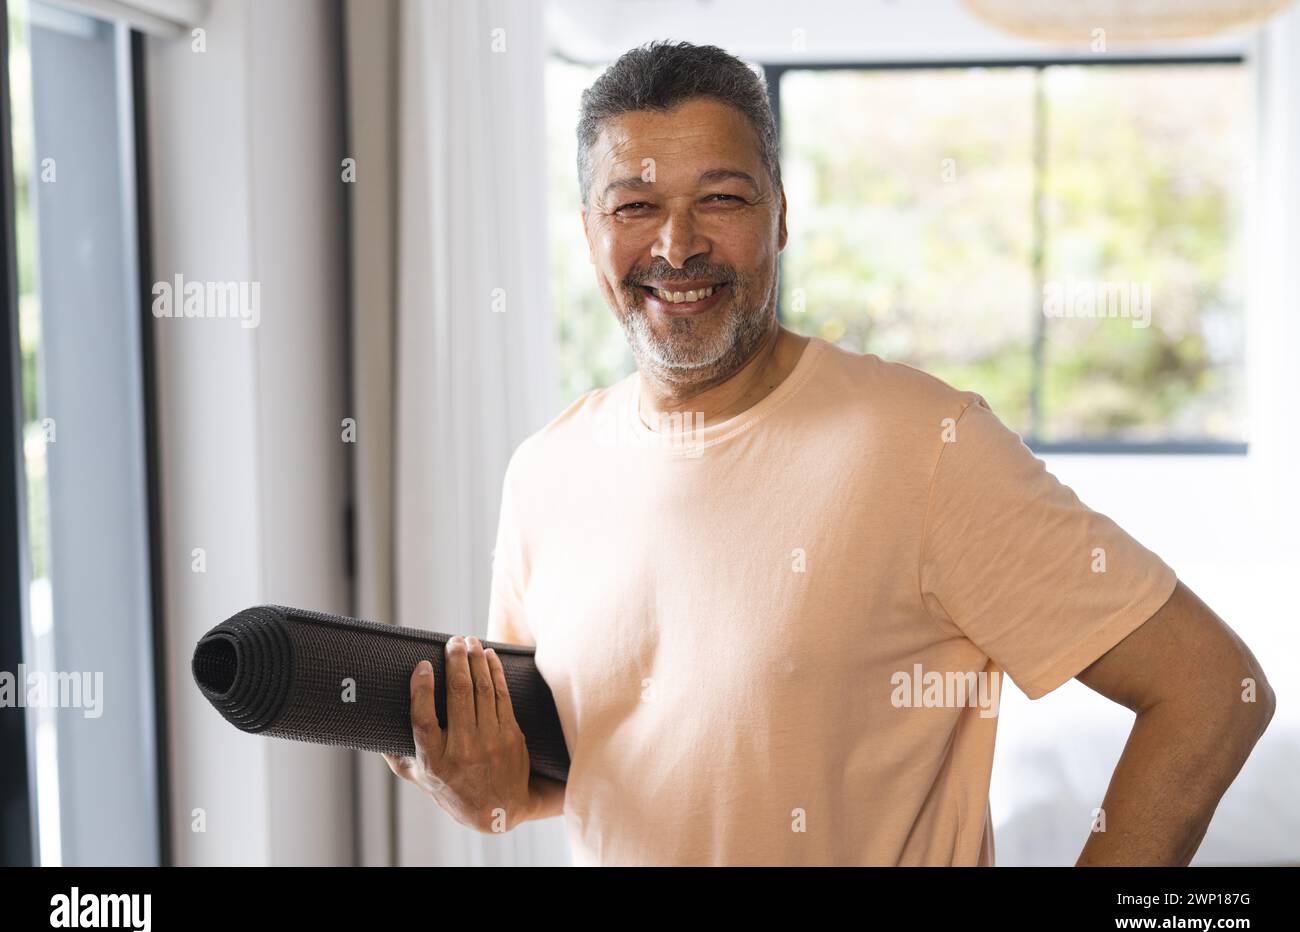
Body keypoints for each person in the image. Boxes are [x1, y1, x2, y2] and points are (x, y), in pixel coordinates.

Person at [383, 40, 1275, 866]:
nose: (678, 243)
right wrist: (488, 793)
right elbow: (600, 765)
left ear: (779, 219)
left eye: (722, 199)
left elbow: (1211, 690)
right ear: (590, 235)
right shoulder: (544, 472)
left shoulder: (925, 445)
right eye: (637, 205)